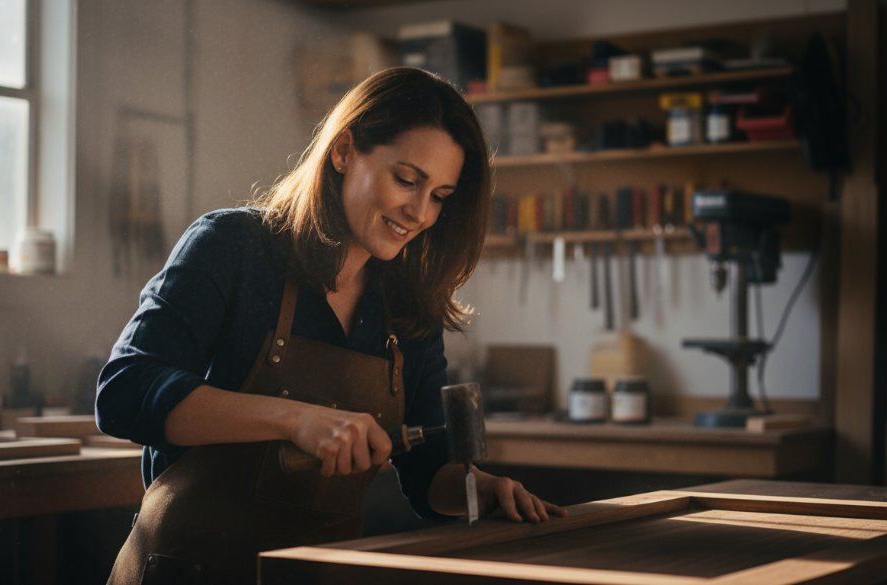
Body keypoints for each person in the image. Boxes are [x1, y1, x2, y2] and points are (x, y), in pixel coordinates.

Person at [96, 66, 565, 584]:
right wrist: (296, 420)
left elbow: (430, 469)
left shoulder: (407, 306)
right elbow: (123, 391)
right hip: (183, 571)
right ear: (343, 151)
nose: (420, 213)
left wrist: (477, 489)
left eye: (439, 196)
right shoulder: (233, 247)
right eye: (407, 180)